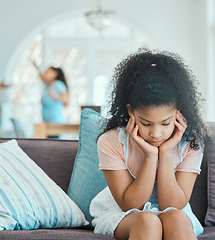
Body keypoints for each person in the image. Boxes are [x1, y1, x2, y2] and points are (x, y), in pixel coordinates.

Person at [89, 49, 208, 240]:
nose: (156, 133)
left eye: (165, 123)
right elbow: (131, 205)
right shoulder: (110, 142)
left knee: (176, 218)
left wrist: (166, 153)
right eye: (146, 123)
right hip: (125, 214)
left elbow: (173, 205)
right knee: (147, 221)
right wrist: (151, 156)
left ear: (178, 112)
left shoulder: (191, 144)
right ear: (131, 112)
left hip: (176, 212)